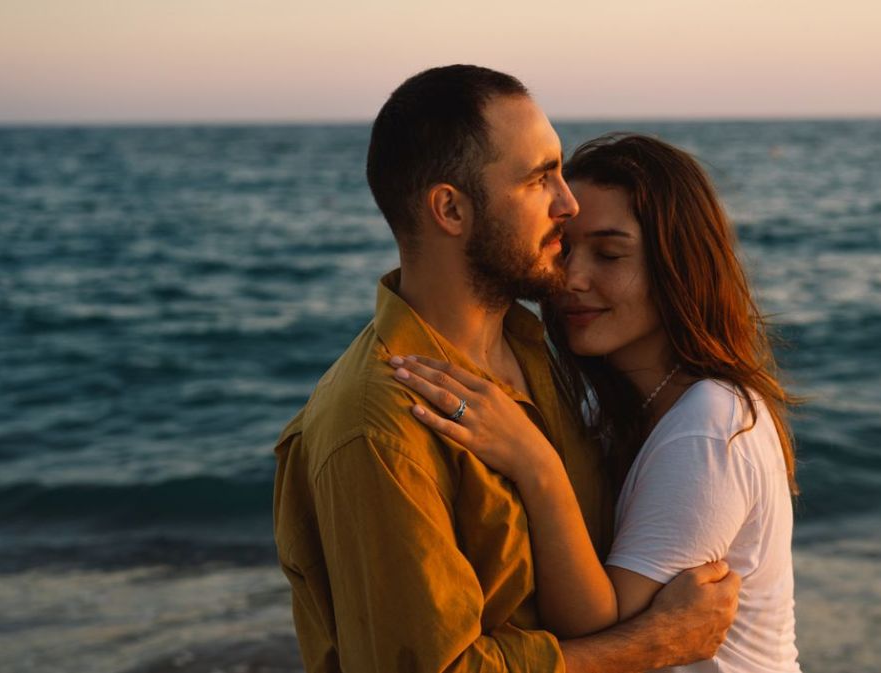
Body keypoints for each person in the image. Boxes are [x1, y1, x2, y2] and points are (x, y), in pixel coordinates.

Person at [272, 66, 740, 673]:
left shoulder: (540, 353)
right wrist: (653, 644)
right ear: (451, 209)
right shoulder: (378, 425)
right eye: (540, 179)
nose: (567, 204)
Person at [389, 134, 802, 672]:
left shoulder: (711, 423)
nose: (572, 279)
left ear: (678, 267)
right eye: (564, 249)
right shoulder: (610, 412)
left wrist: (535, 465)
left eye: (609, 254)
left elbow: (595, 629)